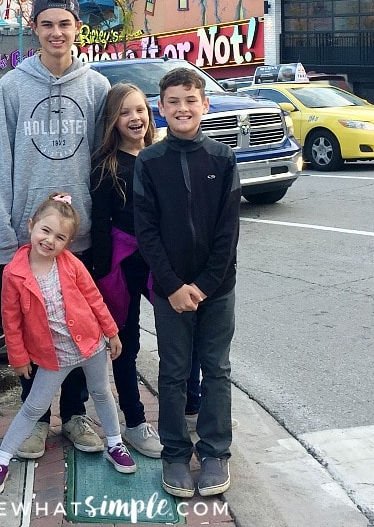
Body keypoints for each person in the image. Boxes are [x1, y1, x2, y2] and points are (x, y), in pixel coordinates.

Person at [0, 0, 110, 460]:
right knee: (39, 331)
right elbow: (0, 163)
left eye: (65, 24)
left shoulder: (96, 87)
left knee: (77, 329)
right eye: (47, 25)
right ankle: (36, 419)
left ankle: (77, 415)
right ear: (34, 29)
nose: (56, 33)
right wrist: (5, 238)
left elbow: (107, 163)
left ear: (77, 28)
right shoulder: (12, 87)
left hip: (81, 238)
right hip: (31, 237)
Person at [134, 66, 241, 501]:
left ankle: (215, 451)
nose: (182, 108)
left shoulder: (221, 157)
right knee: (174, 371)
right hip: (169, 289)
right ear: (161, 109)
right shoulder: (149, 162)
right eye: (173, 101)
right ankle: (175, 453)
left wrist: (208, 284)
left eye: (190, 100)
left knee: (216, 369)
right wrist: (174, 285)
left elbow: (227, 231)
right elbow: (147, 232)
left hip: (219, 288)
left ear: (204, 105)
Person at [0, 193, 136, 494]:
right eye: (45, 231)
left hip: (91, 345)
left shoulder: (71, 264)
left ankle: (115, 443)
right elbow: (10, 321)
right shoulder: (13, 273)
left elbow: (94, 299)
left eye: (60, 237)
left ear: (68, 243)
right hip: (53, 357)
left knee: (102, 393)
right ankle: (1, 460)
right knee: (32, 407)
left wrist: (111, 332)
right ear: (31, 226)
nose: (50, 240)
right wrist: (18, 357)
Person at [90, 83, 162, 459]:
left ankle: (191, 410)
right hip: (121, 266)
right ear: (113, 121)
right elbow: (100, 224)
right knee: (125, 345)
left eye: (140, 110)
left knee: (182, 337)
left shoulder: (161, 155)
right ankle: (134, 422)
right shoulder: (108, 167)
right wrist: (101, 275)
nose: (135, 118)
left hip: (162, 262)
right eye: (125, 112)